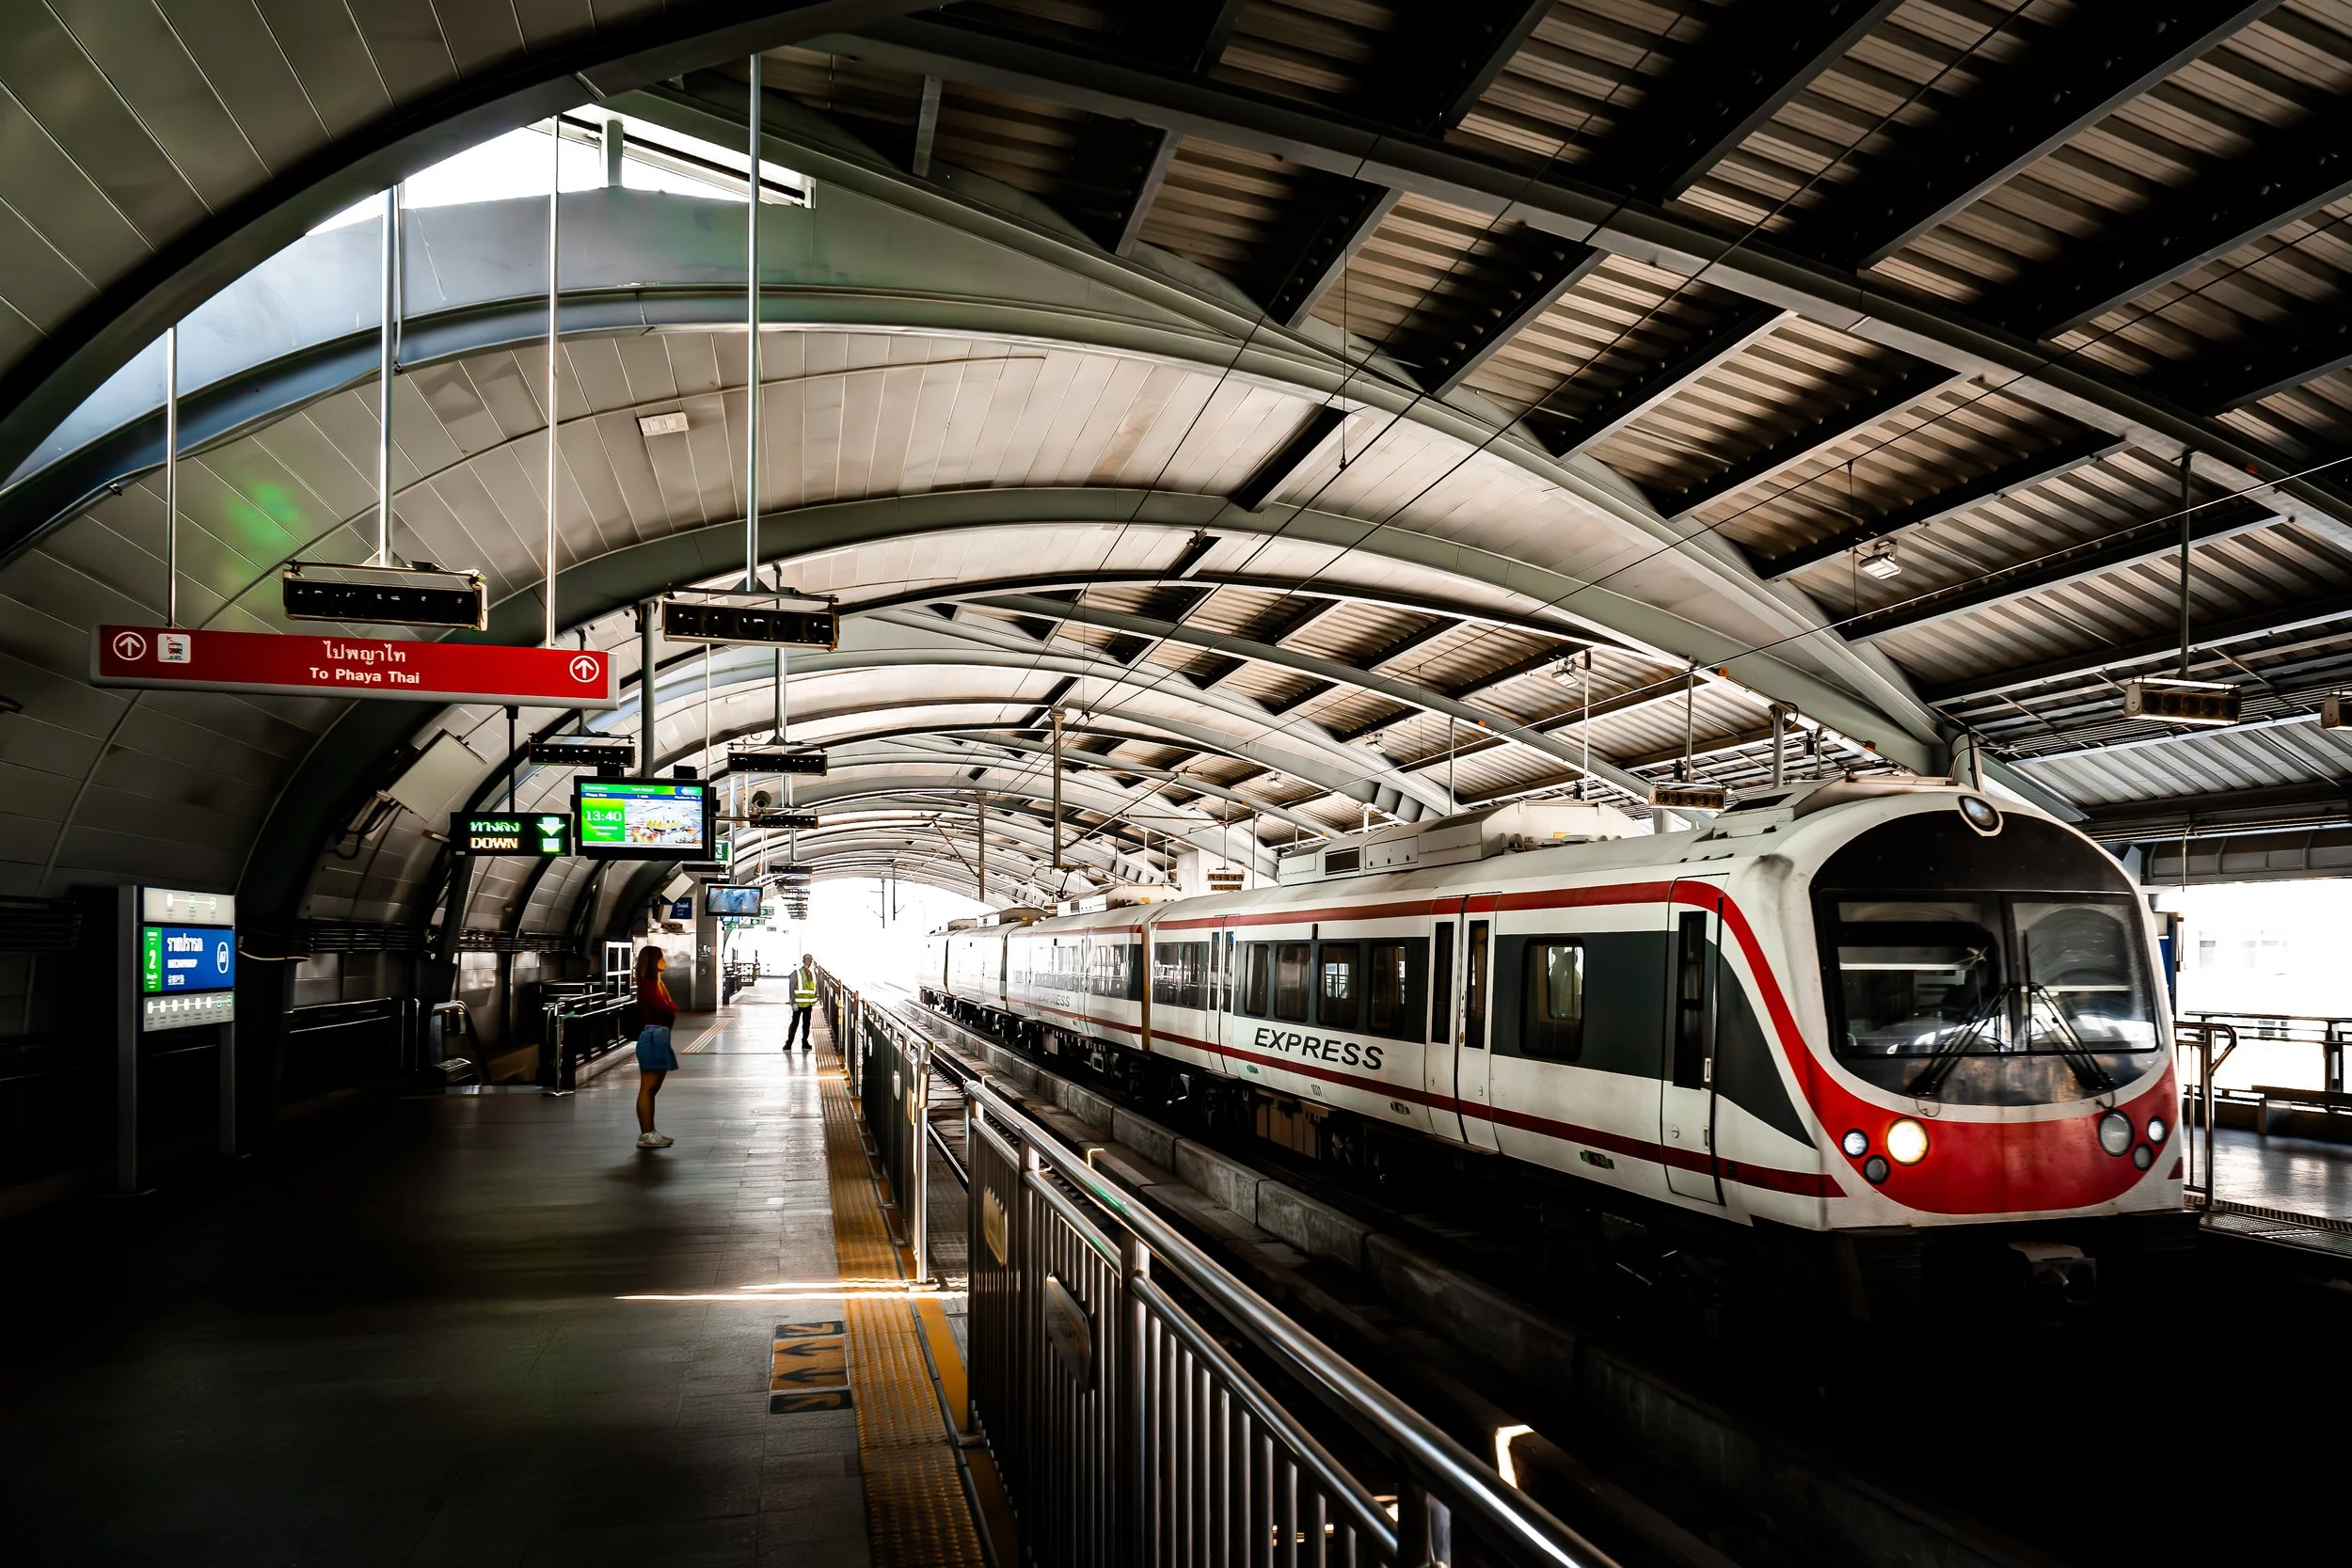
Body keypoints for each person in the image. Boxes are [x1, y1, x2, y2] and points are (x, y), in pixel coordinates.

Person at [633, 946, 679, 1148]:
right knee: (648, 1089)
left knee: (651, 1089)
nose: (665, 960)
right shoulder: (649, 986)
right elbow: (667, 1008)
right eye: (661, 957)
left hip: (658, 1038)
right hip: (652, 1038)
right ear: (654, 961)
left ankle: (650, 1132)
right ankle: (646, 1134)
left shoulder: (655, 983)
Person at [787, 955, 818, 1052]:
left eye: (809, 960)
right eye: (807, 960)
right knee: (795, 1024)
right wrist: (793, 1002)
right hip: (799, 1004)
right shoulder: (797, 973)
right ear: (804, 960)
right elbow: (791, 989)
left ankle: (804, 1042)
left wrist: (815, 997)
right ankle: (789, 1043)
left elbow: (814, 988)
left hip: (808, 1004)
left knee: (806, 1024)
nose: (808, 961)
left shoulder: (812, 974)